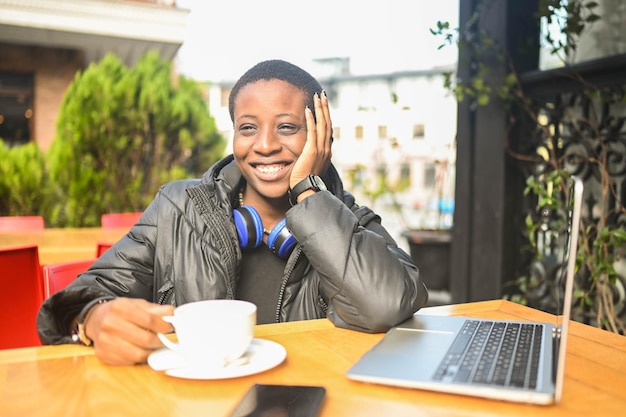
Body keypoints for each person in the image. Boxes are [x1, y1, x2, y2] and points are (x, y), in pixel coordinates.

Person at [37, 59, 429, 365]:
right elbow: (76, 299)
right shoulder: (179, 207)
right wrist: (92, 319)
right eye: (247, 128)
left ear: (321, 136)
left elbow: (386, 303)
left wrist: (308, 191)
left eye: (288, 127)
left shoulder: (352, 221)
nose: (265, 145)